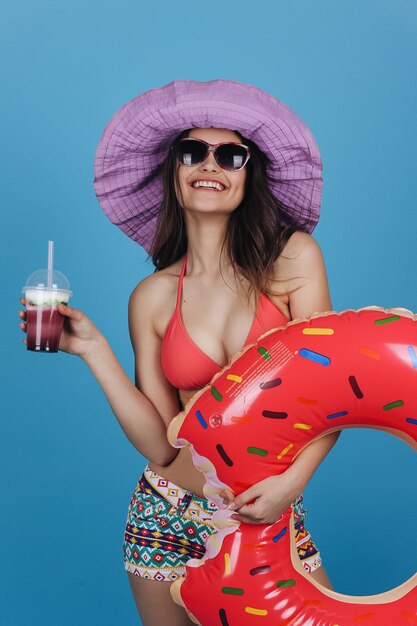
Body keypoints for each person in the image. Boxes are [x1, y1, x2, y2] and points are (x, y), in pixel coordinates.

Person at [19, 80, 339, 626]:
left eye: (231, 154)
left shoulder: (293, 260)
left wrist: (292, 484)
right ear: (174, 170)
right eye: (192, 151)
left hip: (266, 511)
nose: (209, 164)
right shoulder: (153, 297)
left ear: (248, 174)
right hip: (166, 515)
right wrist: (93, 350)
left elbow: (333, 391)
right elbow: (162, 445)